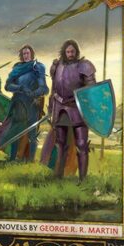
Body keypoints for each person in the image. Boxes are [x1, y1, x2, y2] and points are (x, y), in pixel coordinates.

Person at [48, 39, 96, 183]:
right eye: (68, 51)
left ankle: (83, 179)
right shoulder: (57, 66)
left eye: (72, 51)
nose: (70, 54)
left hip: (78, 109)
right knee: (60, 144)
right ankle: (58, 176)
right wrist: (51, 109)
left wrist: (86, 105)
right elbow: (53, 90)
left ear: (76, 52)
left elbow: (91, 90)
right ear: (64, 52)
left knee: (81, 145)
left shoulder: (84, 66)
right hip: (60, 109)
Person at [0, 45, 48, 161]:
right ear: (21, 55)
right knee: (15, 133)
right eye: (24, 53)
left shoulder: (38, 67)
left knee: (32, 135)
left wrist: (34, 93)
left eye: (27, 53)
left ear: (32, 54)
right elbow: (7, 86)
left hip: (32, 105)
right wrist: (20, 88)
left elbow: (44, 88)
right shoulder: (17, 68)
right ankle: (12, 158)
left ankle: (30, 160)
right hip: (18, 103)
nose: (26, 55)